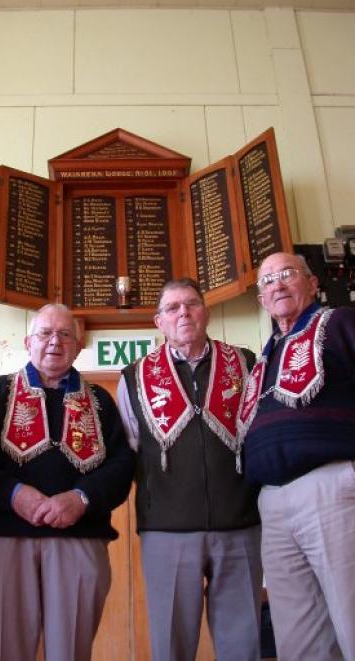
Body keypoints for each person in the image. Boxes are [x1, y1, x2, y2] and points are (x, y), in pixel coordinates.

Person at [0, 303, 135, 661]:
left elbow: (121, 465)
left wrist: (82, 497)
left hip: (78, 539)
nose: (54, 342)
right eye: (45, 333)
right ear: (28, 342)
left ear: (77, 345)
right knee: (3, 651)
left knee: (70, 651)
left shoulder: (100, 401)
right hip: (3, 539)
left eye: (64, 334)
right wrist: (13, 494)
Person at [117, 277, 262, 661]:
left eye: (192, 304)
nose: (183, 312)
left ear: (206, 312)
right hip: (167, 531)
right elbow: (129, 451)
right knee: (171, 646)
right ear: (158, 321)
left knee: (243, 644)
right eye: (172, 308)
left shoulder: (245, 362)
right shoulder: (134, 377)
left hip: (241, 525)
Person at [238, 251, 355, 661]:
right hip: (274, 503)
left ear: (312, 283)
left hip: (333, 489)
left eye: (287, 274)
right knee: (300, 640)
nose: (277, 284)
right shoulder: (263, 358)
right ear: (261, 300)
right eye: (267, 281)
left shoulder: (338, 323)